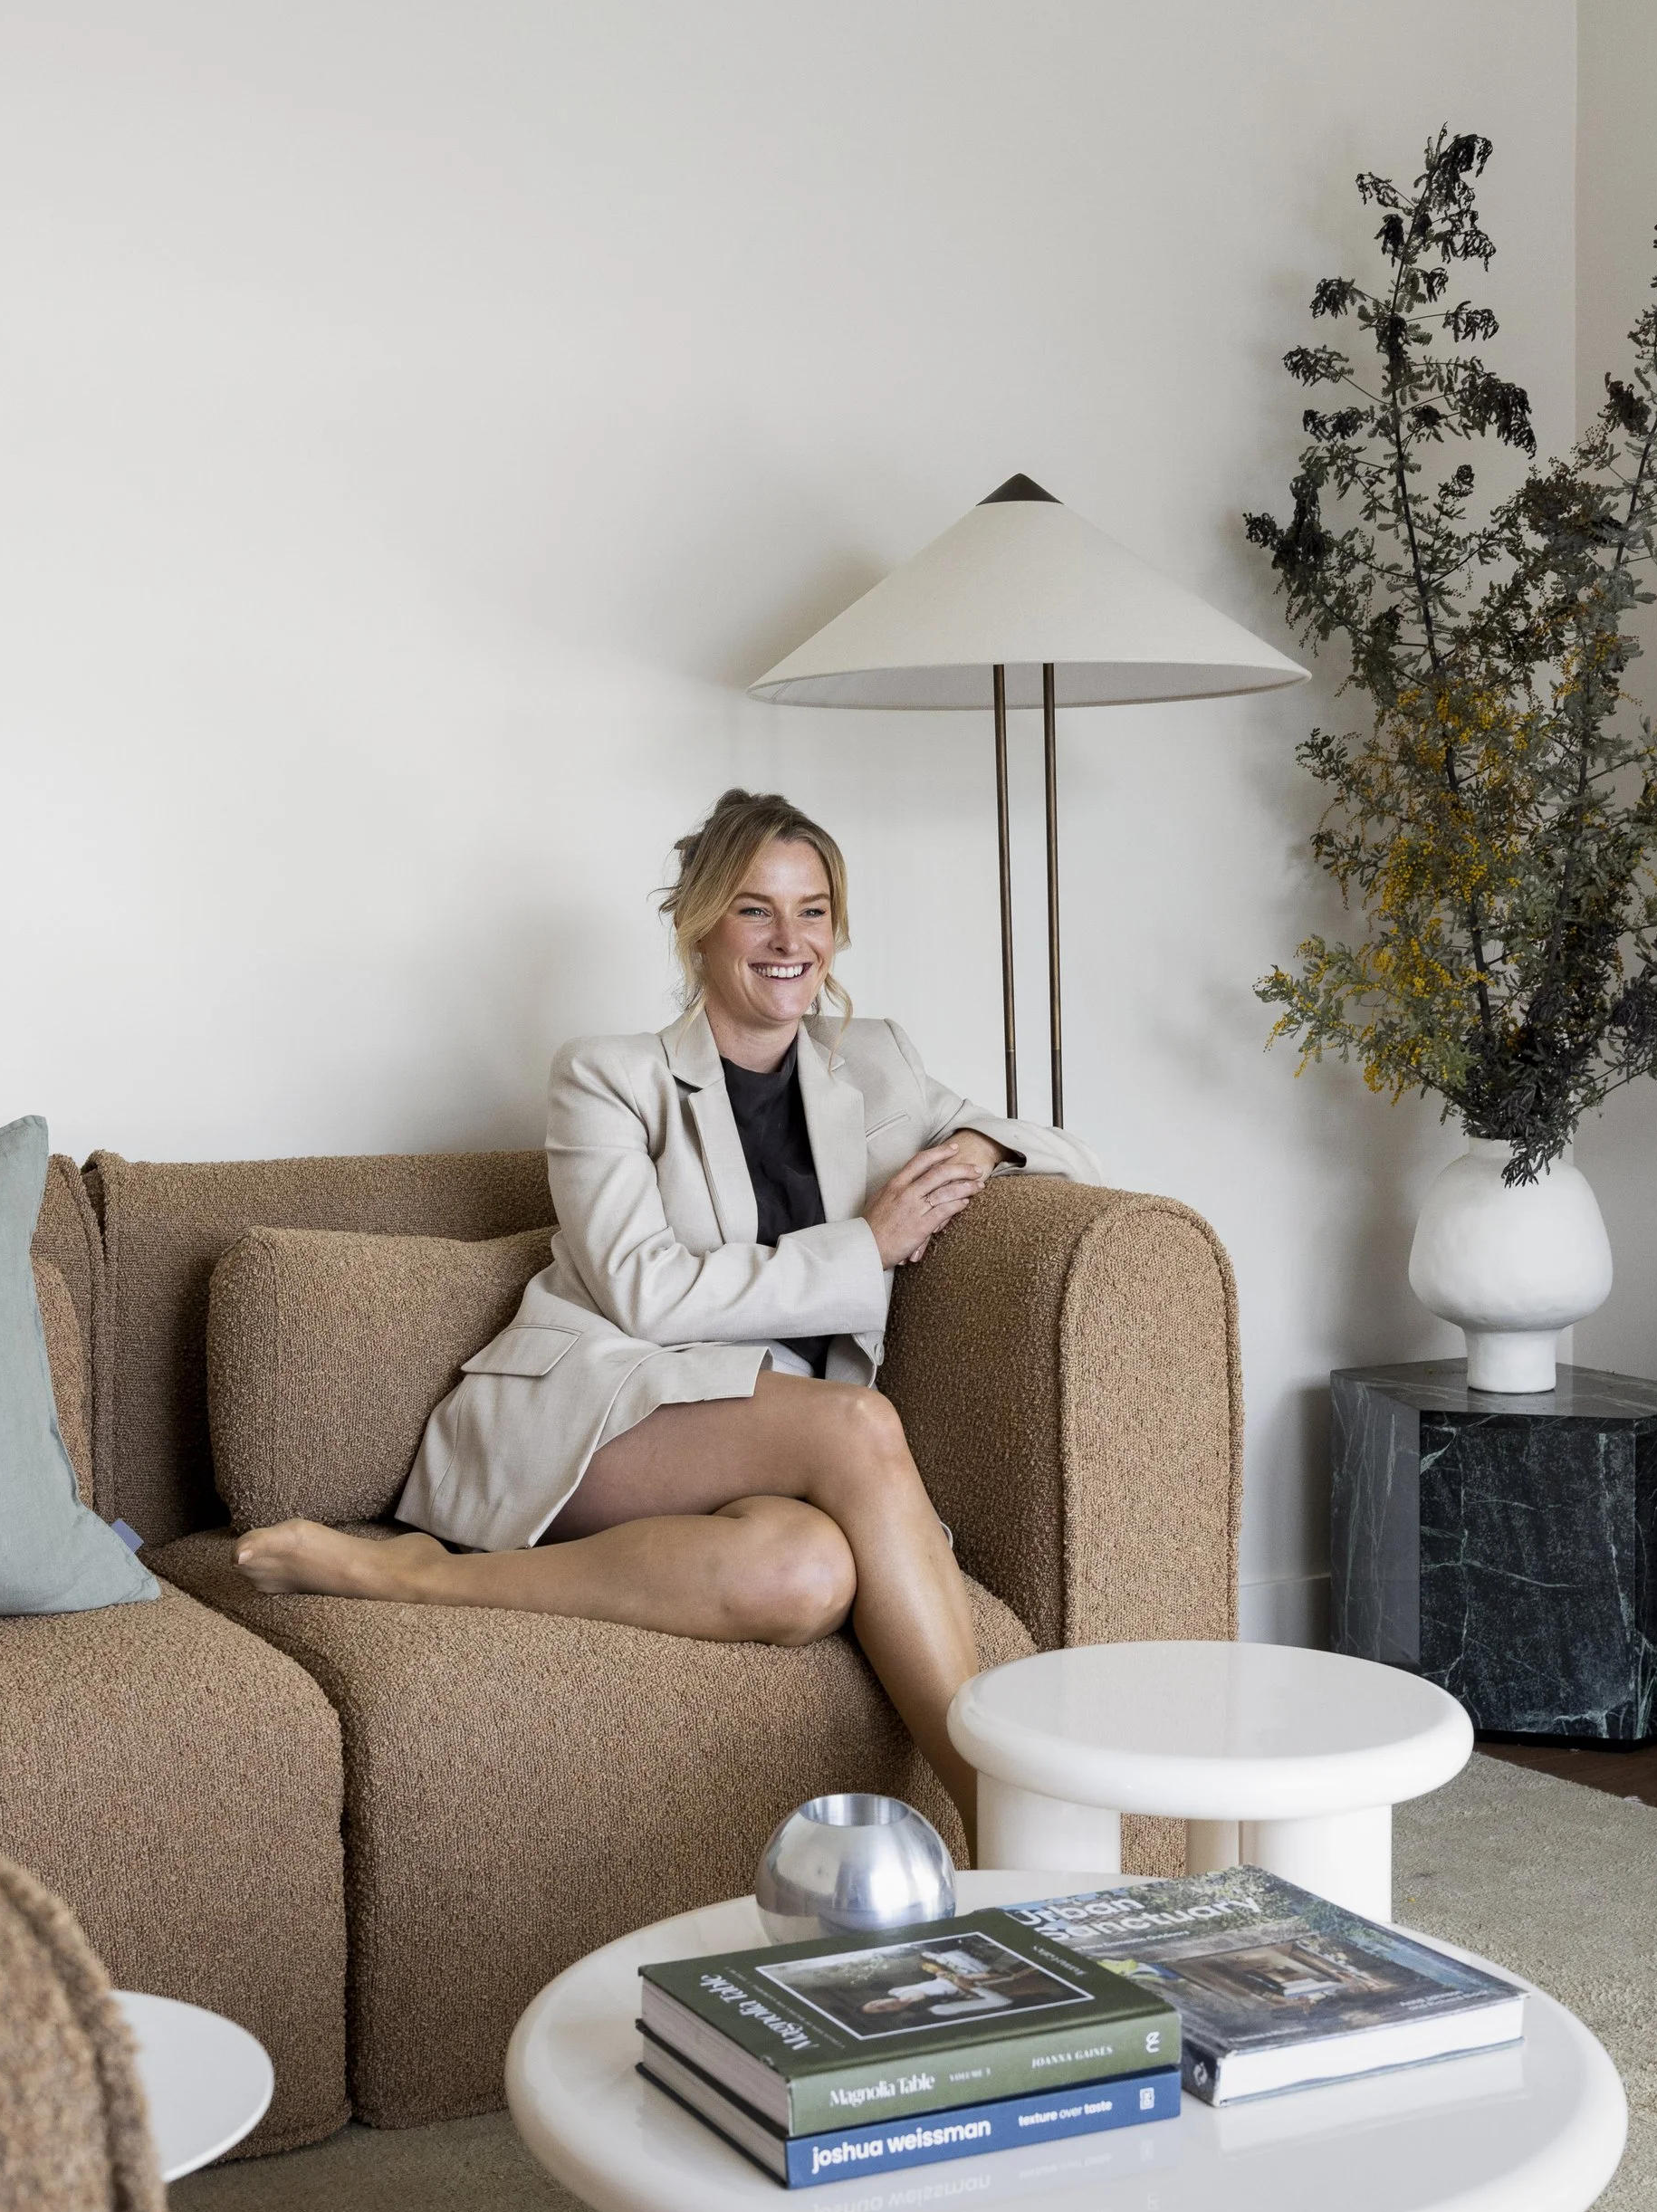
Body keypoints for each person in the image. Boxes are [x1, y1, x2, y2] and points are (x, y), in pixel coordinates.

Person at [237, 787, 1100, 1843]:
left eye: (813, 909)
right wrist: (862, 1246)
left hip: (757, 1438)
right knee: (859, 1425)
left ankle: (428, 1578)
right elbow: (644, 1291)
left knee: (805, 1573)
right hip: (600, 1403)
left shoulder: (870, 1063)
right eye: (755, 909)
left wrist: (975, 1148)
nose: (790, 940)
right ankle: (1012, 1832)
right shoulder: (607, 1078)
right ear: (697, 925)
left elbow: (1062, 1151)